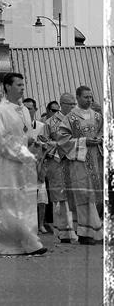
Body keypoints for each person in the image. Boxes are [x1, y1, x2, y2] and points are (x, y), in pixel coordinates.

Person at [0, 73, 46, 256]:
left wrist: (33, 141)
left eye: (22, 84)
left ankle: (27, 240)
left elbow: (28, 132)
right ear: (7, 86)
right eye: (18, 84)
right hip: (9, 165)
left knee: (25, 202)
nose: (22, 88)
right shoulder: (0, 111)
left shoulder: (24, 110)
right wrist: (24, 142)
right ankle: (10, 242)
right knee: (10, 203)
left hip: (25, 165)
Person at [56, 85, 103, 245]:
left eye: (91, 97)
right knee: (84, 196)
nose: (89, 100)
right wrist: (84, 141)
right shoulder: (70, 118)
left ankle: (92, 230)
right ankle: (85, 233)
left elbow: (104, 134)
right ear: (78, 98)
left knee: (96, 197)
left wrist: (100, 140)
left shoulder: (97, 117)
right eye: (86, 97)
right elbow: (62, 141)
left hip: (96, 161)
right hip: (78, 163)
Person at [41, 92, 78, 244]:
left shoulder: (76, 121)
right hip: (57, 163)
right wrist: (59, 147)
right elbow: (43, 142)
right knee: (60, 197)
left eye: (74, 104)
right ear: (62, 104)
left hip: (73, 162)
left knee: (74, 195)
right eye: (70, 104)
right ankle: (63, 231)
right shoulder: (50, 123)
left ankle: (75, 229)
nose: (73, 107)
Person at [22, 98, 51, 235]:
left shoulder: (41, 126)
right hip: (23, 164)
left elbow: (48, 143)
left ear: (35, 110)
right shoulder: (19, 125)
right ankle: (27, 225)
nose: (28, 111)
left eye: (30, 108)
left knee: (41, 197)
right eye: (25, 108)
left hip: (39, 163)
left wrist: (42, 145)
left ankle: (40, 225)